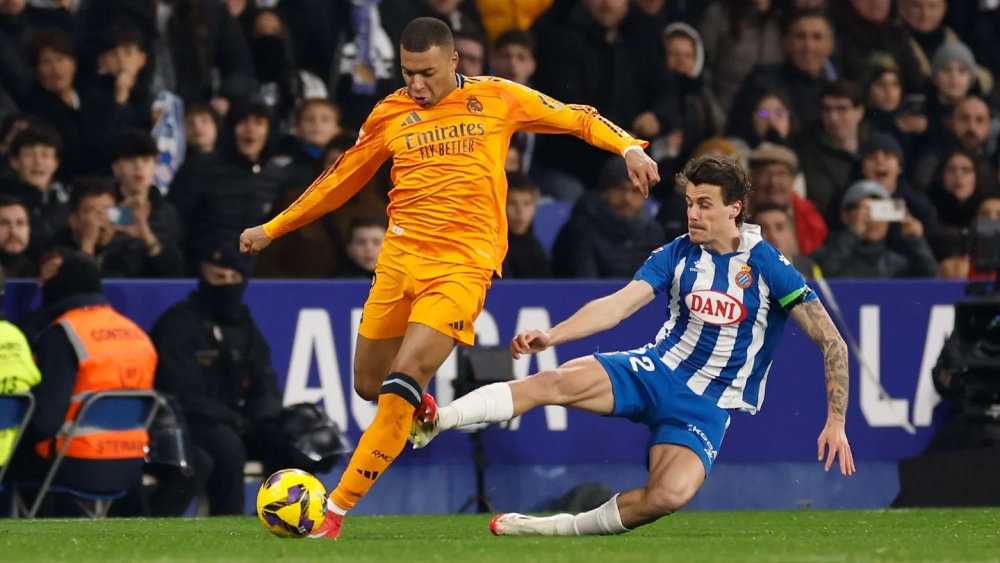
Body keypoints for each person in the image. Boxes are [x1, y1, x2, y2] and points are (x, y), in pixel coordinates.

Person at [239, 17, 659, 539]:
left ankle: (335, 512)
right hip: (398, 263)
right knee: (368, 383)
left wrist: (628, 147)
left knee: (399, 384)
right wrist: (273, 229)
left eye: (427, 73)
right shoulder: (390, 112)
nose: (416, 84)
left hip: (463, 267)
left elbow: (574, 117)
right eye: (408, 72)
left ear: (455, 62)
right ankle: (421, 405)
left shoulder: (497, 98)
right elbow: (340, 179)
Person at [411, 155, 855, 536]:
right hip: (656, 370)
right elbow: (617, 306)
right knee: (554, 381)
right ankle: (439, 419)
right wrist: (553, 335)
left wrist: (836, 420)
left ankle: (554, 528)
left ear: (734, 209)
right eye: (688, 204)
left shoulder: (768, 266)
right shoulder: (676, 254)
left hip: (706, 406)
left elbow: (831, 341)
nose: (693, 215)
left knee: (668, 496)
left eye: (704, 205)